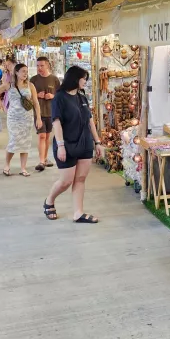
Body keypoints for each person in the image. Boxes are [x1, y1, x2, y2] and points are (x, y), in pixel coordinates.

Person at [42, 65, 104, 223]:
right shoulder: (59, 97)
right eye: (84, 78)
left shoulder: (82, 97)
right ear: (75, 79)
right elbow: (56, 122)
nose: (85, 82)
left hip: (85, 143)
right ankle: (49, 200)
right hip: (67, 144)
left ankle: (78, 213)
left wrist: (97, 142)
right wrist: (61, 145)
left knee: (81, 178)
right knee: (66, 181)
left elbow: (90, 120)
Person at [0, 63, 42, 176]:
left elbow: (36, 102)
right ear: (16, 72)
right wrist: (0, 101)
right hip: (14, 118)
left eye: (26, 71)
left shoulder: (30, 85)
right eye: (23, 71)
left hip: (27, 118)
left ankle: (23, 168)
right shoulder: (8, 85)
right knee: (14, 141)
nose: (25, 73)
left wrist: (38, 118)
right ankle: (7, 165)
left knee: (25, 143)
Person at [30, 56, 61, 171]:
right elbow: (27, 97)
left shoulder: (54, 79)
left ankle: (45, 157)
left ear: (47, 65)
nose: (39, 68)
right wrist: (37, 95)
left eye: (42, 65)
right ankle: (41, 161)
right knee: (42, 135)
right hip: (39, 113)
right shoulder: (33, 80)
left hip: (51, 112)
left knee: (47, 136)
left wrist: (53, 96)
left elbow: (60, 96)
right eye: (37, 66)